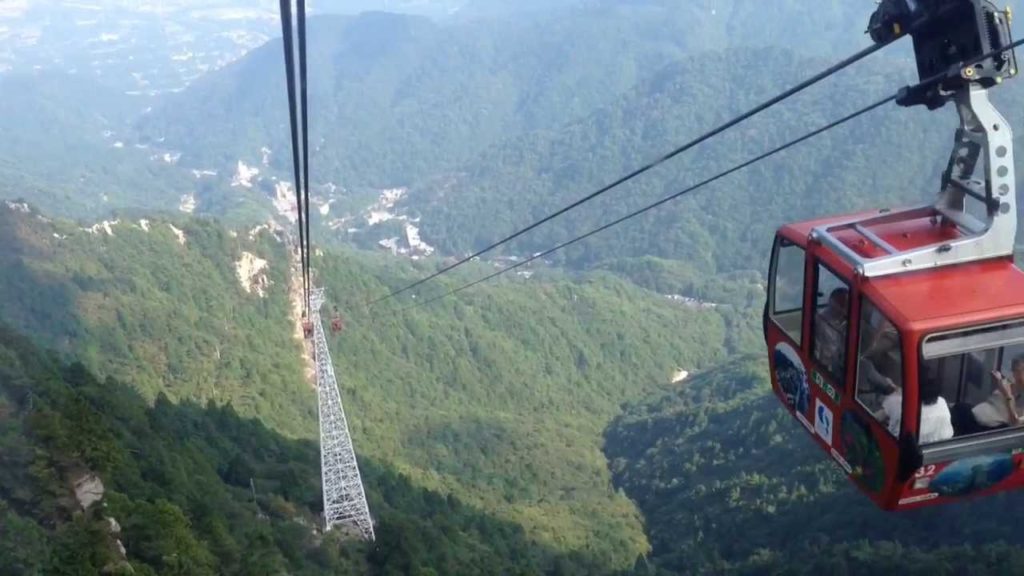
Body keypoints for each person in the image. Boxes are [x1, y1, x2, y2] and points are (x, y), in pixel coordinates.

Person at [878, 369, 953, 443]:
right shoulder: (942, 402)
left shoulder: (896, 402)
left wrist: (891, 387)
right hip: (937, 448)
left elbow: (876, 417)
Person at [971, 354, 1024, 428]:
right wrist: (998, 382)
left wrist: (1007, 394)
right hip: (976, 415)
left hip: (990, 429)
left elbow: (1015, 423)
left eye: (1019, 371)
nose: (1015, 375)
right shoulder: (1011, 384)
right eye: (1014, 370)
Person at [815, 288, 849, 376]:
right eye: (841, 305)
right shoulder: (820, 322)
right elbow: (816, 351)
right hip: (827, 366)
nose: (843, 311)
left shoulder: (847, 323)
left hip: (842, 361)